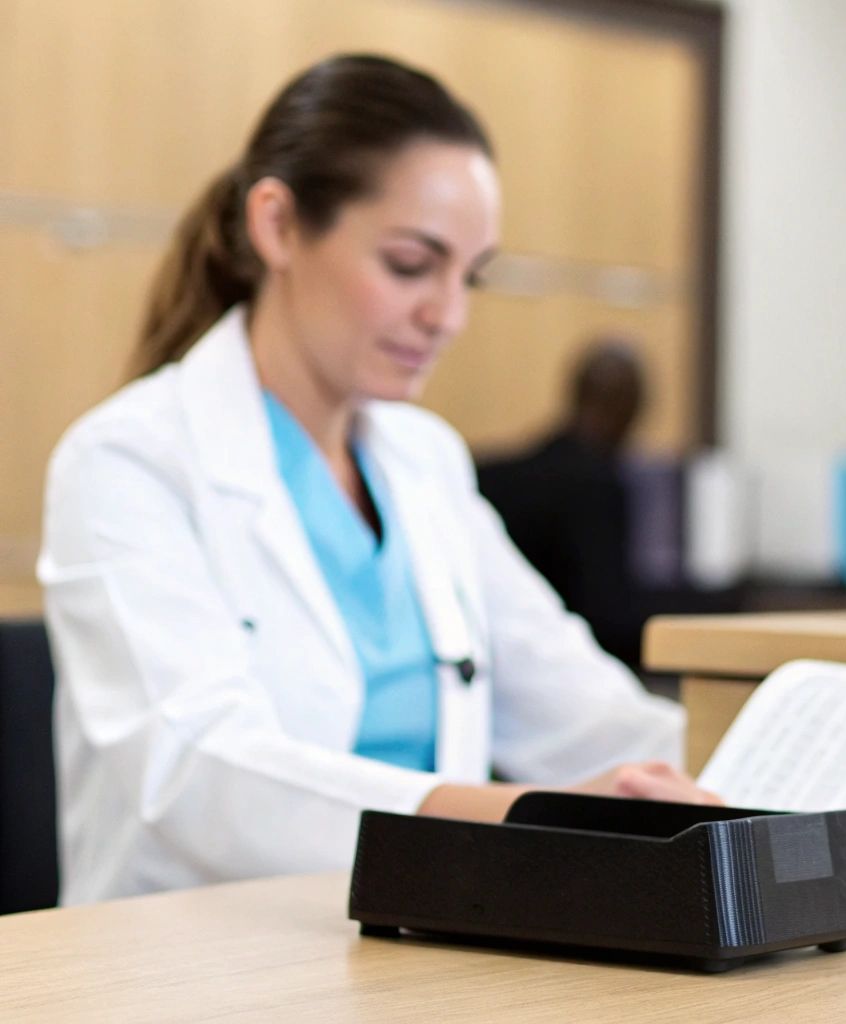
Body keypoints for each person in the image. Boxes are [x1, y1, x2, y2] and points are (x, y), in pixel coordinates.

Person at [36, 54, 718, 905]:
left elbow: (579, 709)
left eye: (468, 276)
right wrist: (516, 819)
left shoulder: (423, 460)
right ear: (278, 226)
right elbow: (199, 775)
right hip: (197, 963)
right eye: (409, 264)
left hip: (411, 944)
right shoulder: (130, 460)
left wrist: (759, 779)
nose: (448, 315)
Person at [478, 341, 646, 666]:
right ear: (632, 410)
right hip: (557, 662)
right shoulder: (596, 486)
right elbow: (608, 619)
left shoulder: (492, 475)